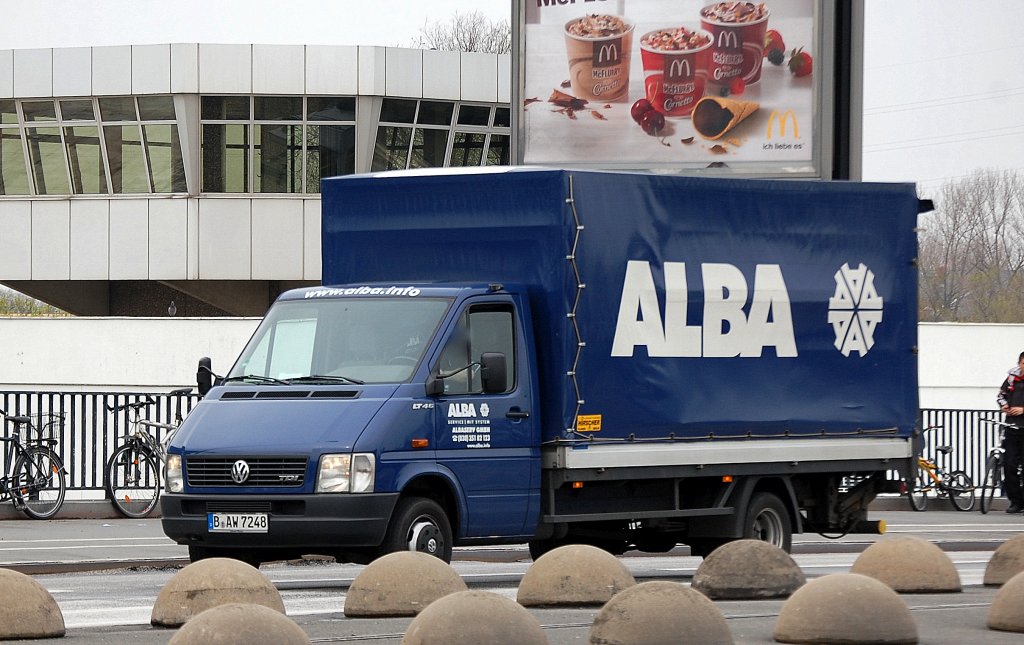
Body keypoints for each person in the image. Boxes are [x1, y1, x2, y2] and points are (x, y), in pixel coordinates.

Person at [997, 351, 1024, 513]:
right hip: (1012, 427)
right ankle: (1015, 501)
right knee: (1009, 465)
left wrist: (1022, 410)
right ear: (1019, 363)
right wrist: (1004, 405)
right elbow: (1001, 395)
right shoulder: (1011, 378)